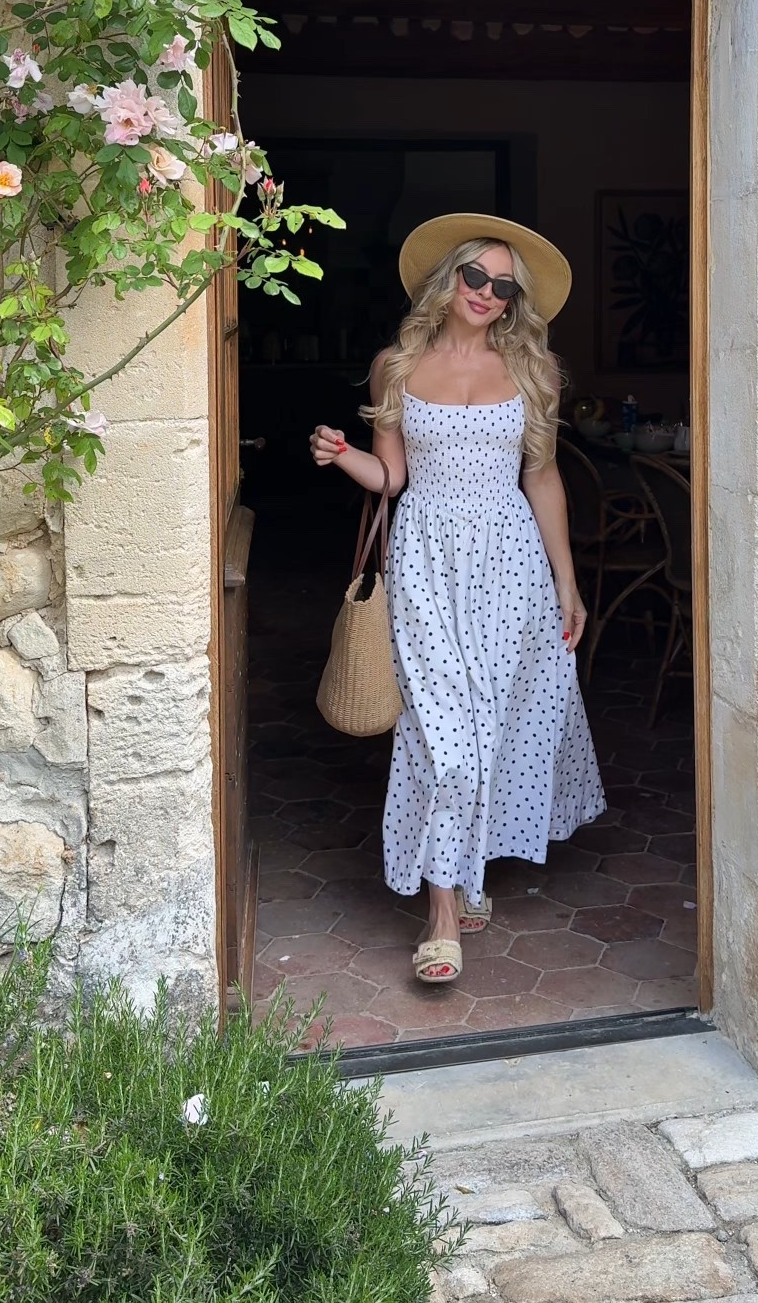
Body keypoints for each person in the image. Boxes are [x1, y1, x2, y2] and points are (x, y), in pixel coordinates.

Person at [310, 214, 605, 985]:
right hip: (425, 562)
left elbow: (542, 475)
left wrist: (566, 581)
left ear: (514, 301)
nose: (486, 293)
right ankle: (442, 917)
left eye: (503, 286)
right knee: (440, 736)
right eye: (475, 276)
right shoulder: (396, 366)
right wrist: (343, 456)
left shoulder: (534, 371)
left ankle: (466, 871)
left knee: (497, 728)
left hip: (510, 564)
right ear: (448, 281)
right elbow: (392, 477)